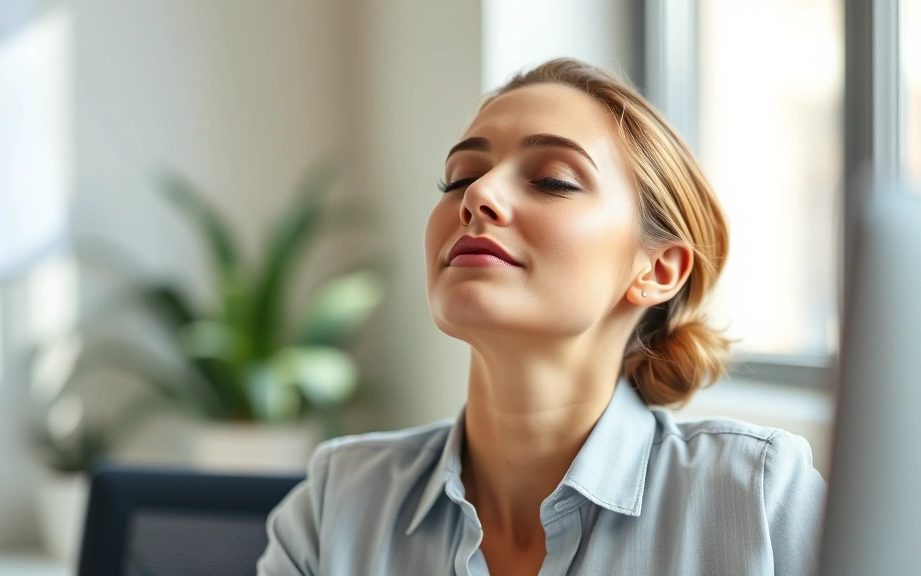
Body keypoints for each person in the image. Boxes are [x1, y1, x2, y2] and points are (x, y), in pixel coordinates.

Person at [257, 58, 826, 575]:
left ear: (658, 269)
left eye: (553, 180)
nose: (476, 194)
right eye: (459, 177)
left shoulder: (758, 499)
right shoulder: (338, 503)